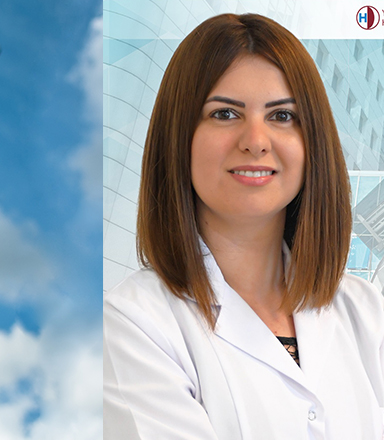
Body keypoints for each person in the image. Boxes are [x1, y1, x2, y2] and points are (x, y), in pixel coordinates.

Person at [103, 13, 384, 440]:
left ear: (314, 144)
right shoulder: (132, 324)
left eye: (283, 116)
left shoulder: (368, 313)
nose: (255, 139)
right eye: (225, 113)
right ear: (179, 137)